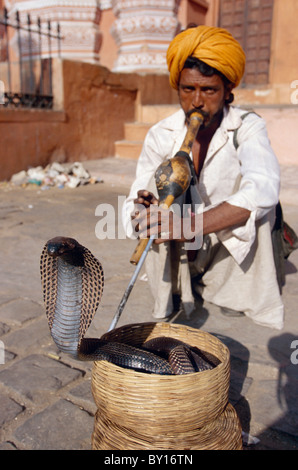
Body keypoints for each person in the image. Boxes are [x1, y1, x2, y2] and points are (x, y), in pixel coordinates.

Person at [122, 25, 284, 330]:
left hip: (220, 240)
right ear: (178, 88)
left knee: (261, 206)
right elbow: (136, 192)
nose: (197, 101)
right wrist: (141, 208)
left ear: (227, 92)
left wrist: (191, 226)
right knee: (155, 192)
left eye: (208, 91)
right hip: (180, 243)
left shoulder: (247, 127)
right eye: (188, 89)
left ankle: (233, 290)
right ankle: (174, 288)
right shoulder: (161, 133)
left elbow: (264, 188)